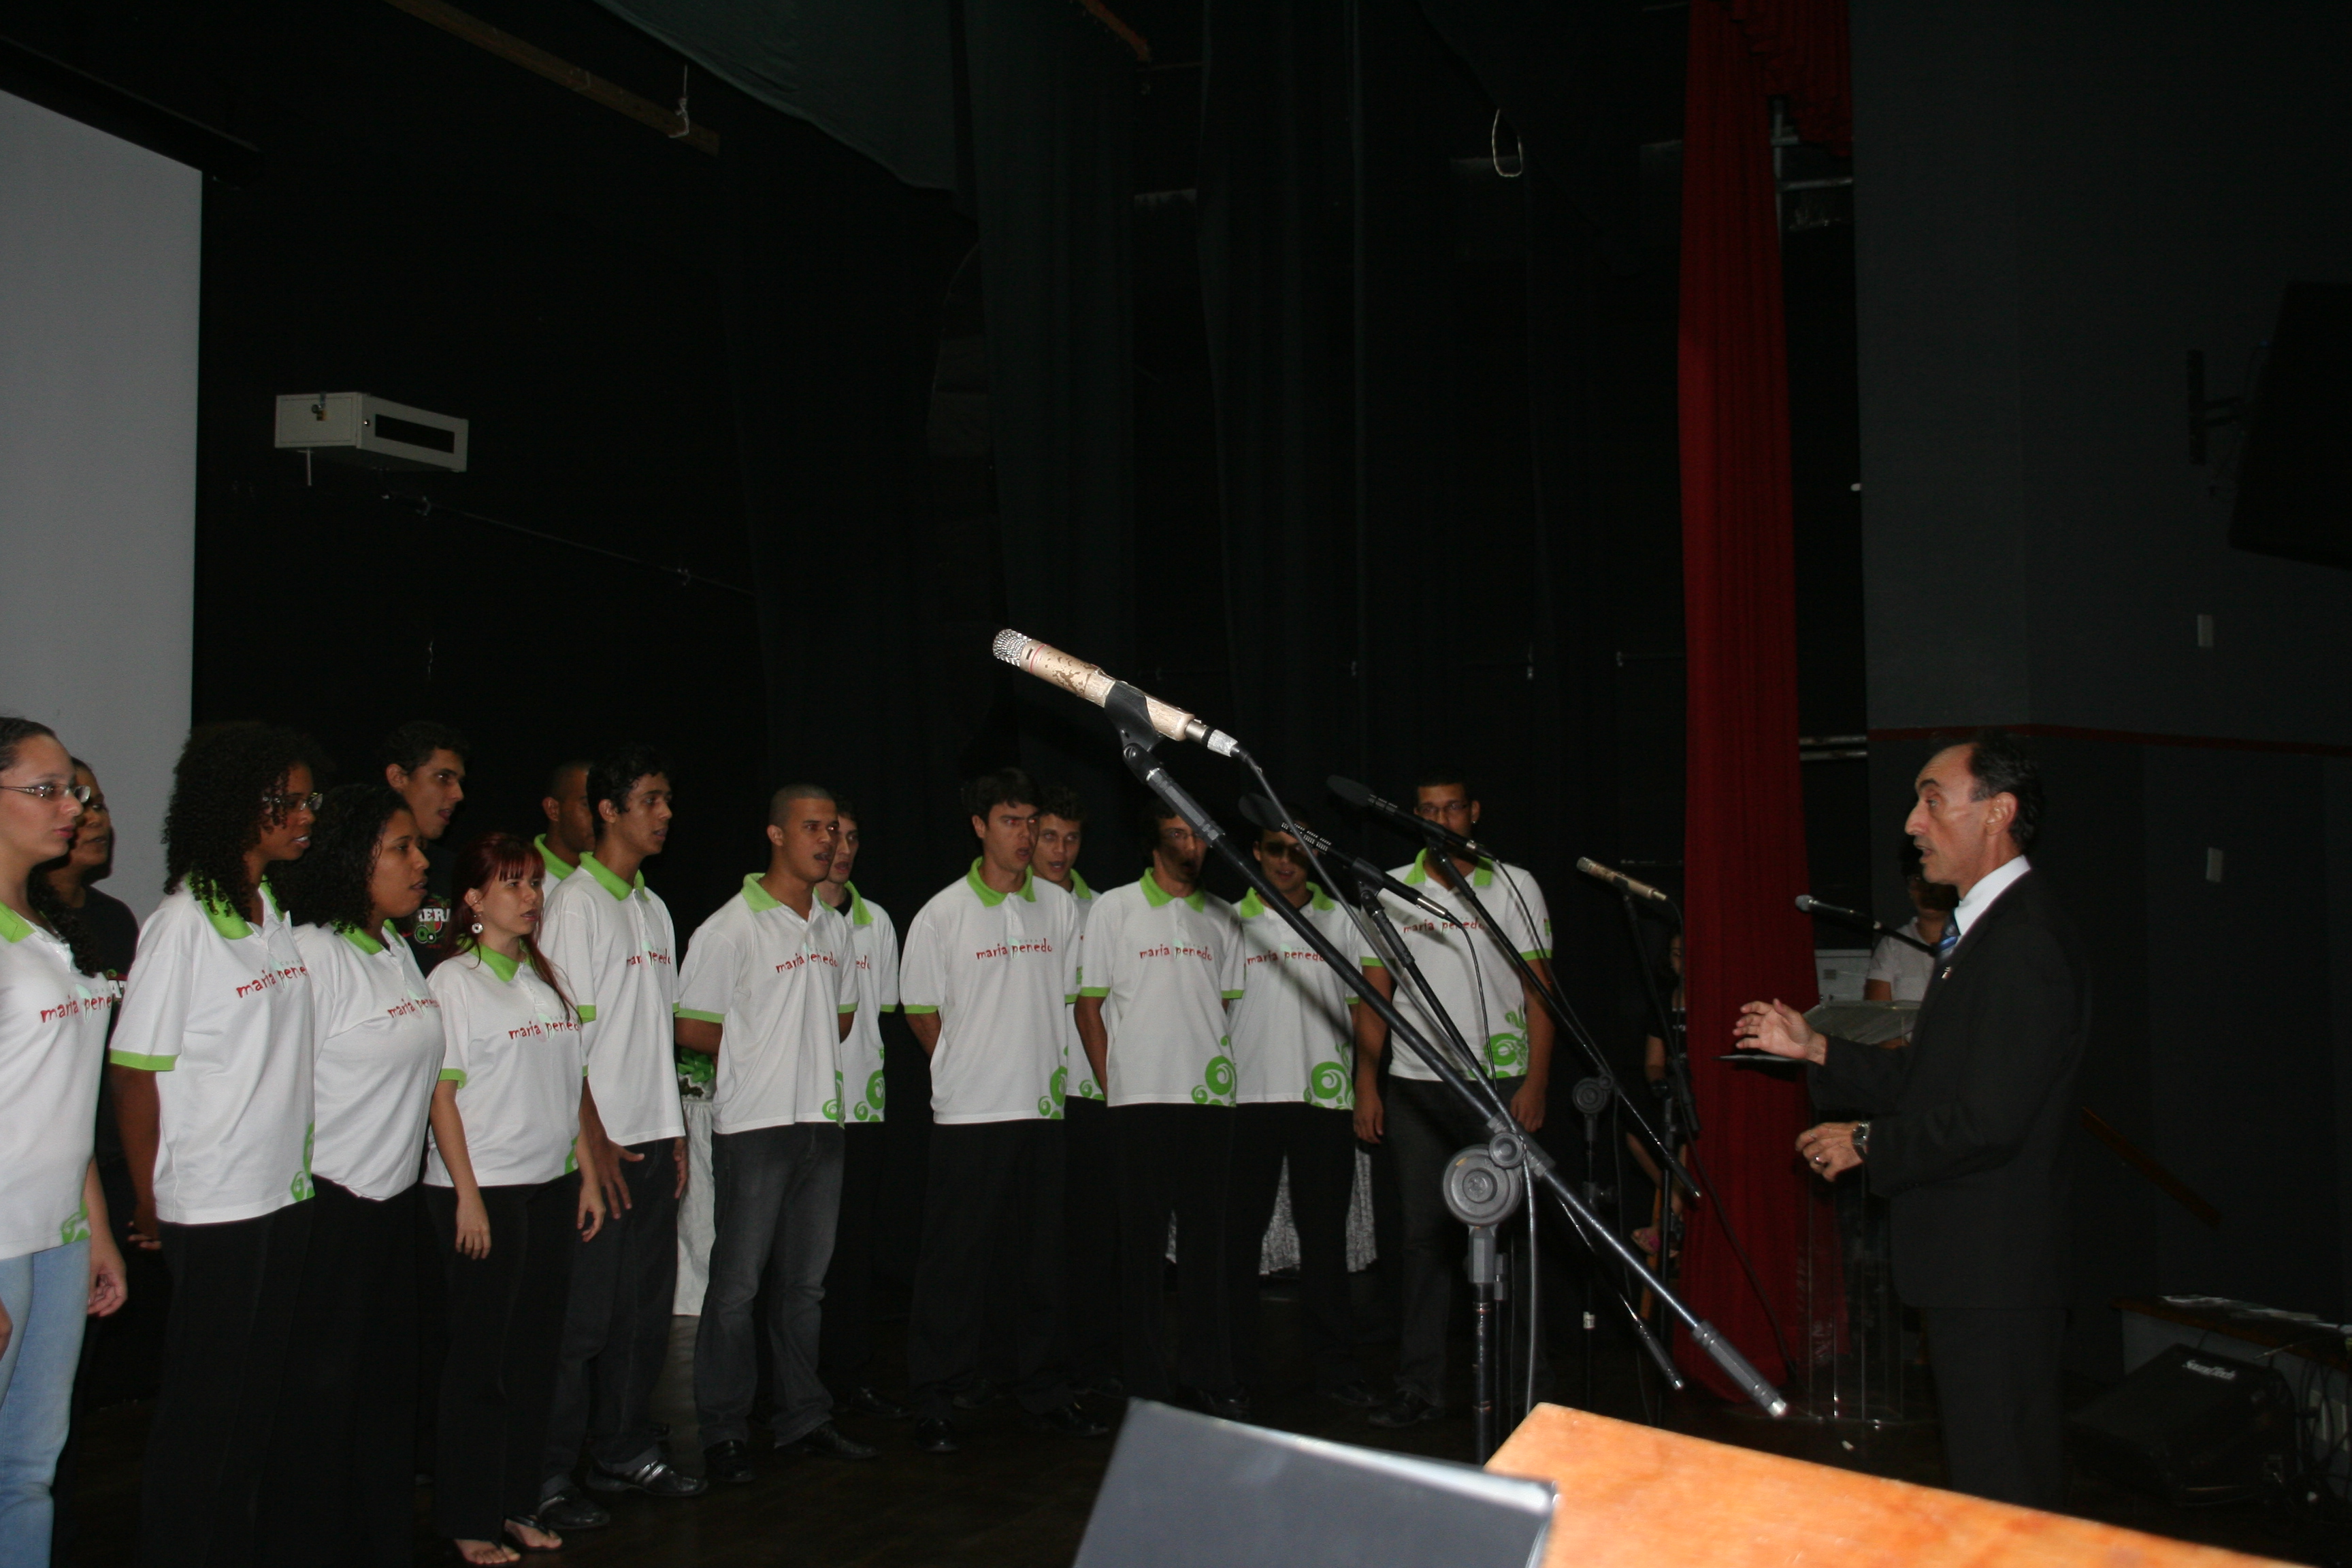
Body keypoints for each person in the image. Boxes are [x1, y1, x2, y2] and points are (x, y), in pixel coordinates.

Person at [1737, 731, 2089, 1509]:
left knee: (2006, 1500)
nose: (1912, 823)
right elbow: (1932, 1082)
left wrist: (1866, 1141)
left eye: (1933, 801)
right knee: (1989, 1489)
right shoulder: (1989, 931)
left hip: (1996, 1270)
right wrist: (1818, 1048)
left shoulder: (2023, 941)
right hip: (1974, 1266)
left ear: (1998, 812)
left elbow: (1990, 1120)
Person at [109, 723, 321, 1567]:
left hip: (281, 1193)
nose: (305, 815)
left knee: (254, 1405)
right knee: (205, 1411)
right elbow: (135, 1073)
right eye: (287, 802)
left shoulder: (273, 912)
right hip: (214, 1201)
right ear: (235, 805)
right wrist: (149, 1199)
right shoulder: (183, 923)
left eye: (308, 800)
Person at [261, 784, 447, 1567]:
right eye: (401, 848)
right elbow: (278, 1092)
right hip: (331, 1211)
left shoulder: (396, 948)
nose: (421, 861)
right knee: (321, 1408)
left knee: (386, 1400)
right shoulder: (315, 954)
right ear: (351, 860)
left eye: (417, 847)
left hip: (394, 1211)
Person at [899, 769, 1107, 1454]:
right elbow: (921, 1011)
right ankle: (937, 1393)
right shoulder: (943, 914)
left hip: (1043, 1110)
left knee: (1041, 1261)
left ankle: (1043, 1389)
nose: (1024, 835)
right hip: (970, 1114)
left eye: (1031, 822)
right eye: (1011, 822)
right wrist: (965, 1067)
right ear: (979, 827)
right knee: (955, 1261)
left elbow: (1074, 1001)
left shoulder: (1061, 911)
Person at [679, 785, 873, 1485]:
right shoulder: (729, 928)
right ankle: (725, 1432)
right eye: (812, 827)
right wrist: (762, 1052)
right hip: (756, 1126)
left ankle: (802, 1418)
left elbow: (843, 1019)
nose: (828, 841)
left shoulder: (833, 926)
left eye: (834, 829)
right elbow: (692, 1026)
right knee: (736, 1287)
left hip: (822, 1121)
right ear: (776, 835)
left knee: (805, 1287)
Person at [424, 833, 609, 1565]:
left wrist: (586, 1175)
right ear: (473, 899)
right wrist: (467, 1197)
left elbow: (568, 1090)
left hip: (548, 1188)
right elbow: (442, 1097)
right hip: (486, 1194)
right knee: (480, 1366)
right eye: (513, 883)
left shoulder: (541, 979)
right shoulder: (454, 982)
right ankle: (469, 1518)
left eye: (534, 882)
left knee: (534, 1359)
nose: (532, 896)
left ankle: (515, 1504)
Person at [1352, 768, 1556, 1429]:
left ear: (1474, 813)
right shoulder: (1390, 888)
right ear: (1413, 817)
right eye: (1428, 811)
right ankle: (1420, 1385)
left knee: (1512, 1236)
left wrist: (1536, 1082)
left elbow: (1540, 993)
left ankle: (1529, 1388)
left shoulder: (1514, 884)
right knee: (1424, 1240)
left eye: (1452, 809)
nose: (1441, 821)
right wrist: (1366, 1084)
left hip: (1501, 1083)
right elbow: (1373, 998)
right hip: (1417, 1084)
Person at [538, 745, 700, 1518]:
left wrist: (675, 1130)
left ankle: (623, 1450)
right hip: (596, 1151)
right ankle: (547, 1475)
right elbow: (563, 1041)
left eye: (668, 800)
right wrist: (592, 1143)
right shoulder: (574, 906)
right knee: (581, 1322)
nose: (666, 814)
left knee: (642, 1313)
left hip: (650, 1140)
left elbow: (652, 1034)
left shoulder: (651, 906)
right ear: (608, 811)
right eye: (651, 800)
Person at [0, 719, 127, 1561]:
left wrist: (99, 1233)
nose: (72, 808)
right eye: (45, 791)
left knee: (29, 1470)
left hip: (59, 1237)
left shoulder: (44, 928)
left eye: (72, 791)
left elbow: (63, 1102)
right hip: (2, 1241)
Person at [1076, 802, 1246, 1414]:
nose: (1190, 845)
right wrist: (1114, 1084)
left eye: (1198, 835)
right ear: (1154, 843)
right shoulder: (1114, 908)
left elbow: (1224, 1005)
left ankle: (1207, 1374)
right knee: (1141, 1248)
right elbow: (1089, 1007)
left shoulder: (1224, 915)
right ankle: (1145, 1382)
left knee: (1206, 1247)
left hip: (1208, 1101)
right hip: (1138, 1101)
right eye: (1177, 834)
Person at [1224, 818, 1377, 1408]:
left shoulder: (1344, 920)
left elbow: (1368, 1010)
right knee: (1238, 1242)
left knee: (1325, 1242)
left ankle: (1337, 1369)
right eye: (1275, 849)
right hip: (1246, 1100)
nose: (1285, 861)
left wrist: (1367, 1085)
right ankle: (1235, 1369)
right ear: (1256, 851)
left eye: (1297, 851)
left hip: (1324, 1100)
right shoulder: (1228, 920)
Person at [44, 756, 154, 1568]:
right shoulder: (24, 926)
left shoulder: (116, 922)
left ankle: (55, 1529)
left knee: (68, 1387)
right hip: (32, 1183)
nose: (95, 816)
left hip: (101, 1174)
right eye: (72, 798)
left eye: (100, 800)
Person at [813, 799, 910, 1420]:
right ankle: (788, 1384)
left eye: (852, 837)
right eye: (833, 836)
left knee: (853, 1249)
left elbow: (883, 1016)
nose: (842, 849)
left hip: (863, 1109)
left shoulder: (879, 923)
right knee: (799, 1257)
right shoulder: (795, 917)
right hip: (802, 1108)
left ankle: (850, 1375)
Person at [1033, 785, 1120, 1395]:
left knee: (1093, 1237)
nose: (1060, 850)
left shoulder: (1104, 910)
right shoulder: (1015, 906)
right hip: (1027, 1097)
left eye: (1071, 839)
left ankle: (1092, 1363)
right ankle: (1030, 1364)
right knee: (1032, 1239)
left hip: (1090, 1096)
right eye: (1049, 837)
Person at [381, 721, 470, 957]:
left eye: (460, 782)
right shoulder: (354, 870)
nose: (458, 794)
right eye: (443, 777)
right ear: (398, 777)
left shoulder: (456, 872)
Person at [1865, 843, 1958, 1007]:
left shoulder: (1973, 939)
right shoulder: (1894, 945)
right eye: (1918, 880)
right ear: (1909, 889)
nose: (1927, 890)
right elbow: (1877, 1014)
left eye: (1935, 883)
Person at [537, 759, 594, 885]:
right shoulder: (520, 877)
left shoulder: (619, 873)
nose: (603, 816)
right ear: (553, 809)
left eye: (609, 806)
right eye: (588, 805)